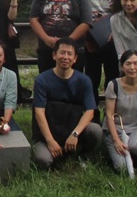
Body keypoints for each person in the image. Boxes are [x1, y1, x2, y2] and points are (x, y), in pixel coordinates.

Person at [31, 38, 102, 169]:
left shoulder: (84, 80)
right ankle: (56, 152)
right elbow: (39, 113)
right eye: (62, 53)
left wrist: (75, 134)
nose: (65, 57)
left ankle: (84, 157)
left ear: (75, 59)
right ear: (54, 55)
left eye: (70, 54)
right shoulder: (42, 80)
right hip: (49, 133)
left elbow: (90, 111)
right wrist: (50, 141)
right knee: (43, 160)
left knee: (96, 130)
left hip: (73, 131)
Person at [29, 0, 93, 73]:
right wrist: (46, 38)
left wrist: (67, 41)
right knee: (47, 80)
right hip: (47, 49)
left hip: (72, 51)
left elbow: (86, 22)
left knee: (73, 81)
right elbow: (33, 19)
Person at [74, 0, 120, 94]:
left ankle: (111, 107)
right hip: (87, 34)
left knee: (112, 74)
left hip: (108, 33)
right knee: (91, 75)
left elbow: (118, 5)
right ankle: (91, 107)